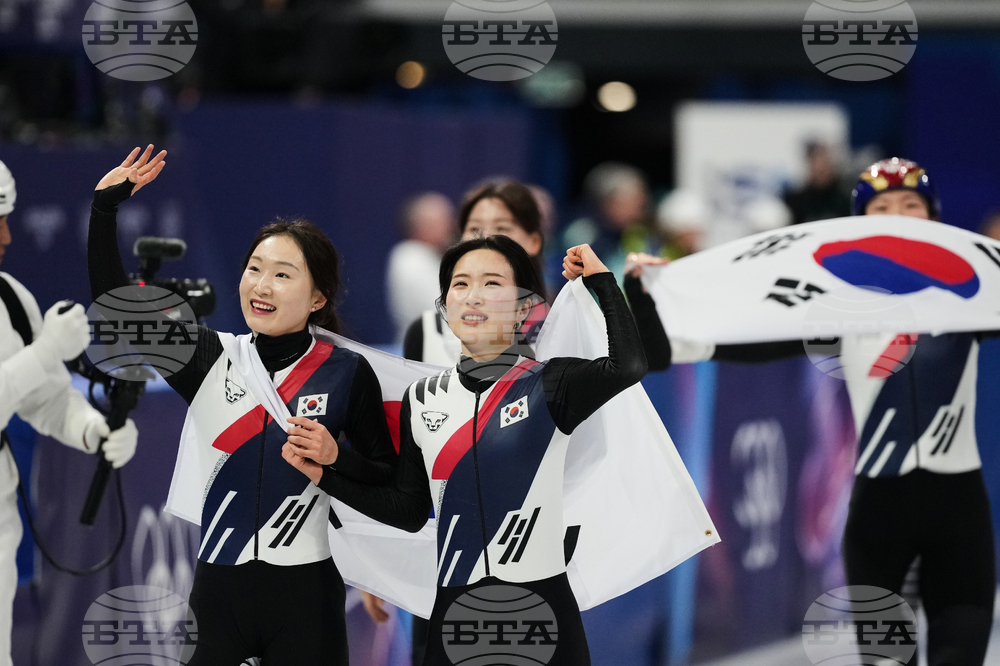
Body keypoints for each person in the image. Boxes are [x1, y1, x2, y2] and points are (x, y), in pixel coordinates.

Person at [627, 157, 996, 666]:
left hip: (960, 516)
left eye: (910, 205)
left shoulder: (970, 301)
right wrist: (652, 295)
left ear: (934, 219)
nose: (897, 216)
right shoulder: (838, 311)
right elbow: (703, 345)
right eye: (882, 208)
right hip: (878, 518)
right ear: (858, 225)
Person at [87, 146, 398, 666]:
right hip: (217, 598)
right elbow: (117, 309)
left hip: (307, 602)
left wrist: (336, 458)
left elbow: (389, 483)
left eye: (282, 274)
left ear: (318, 298)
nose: (261, 285)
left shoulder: (347, 372)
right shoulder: (207, 358)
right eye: (254, 268)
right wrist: (103, 209)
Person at [285, 236, 647, 665]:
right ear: (445, 306)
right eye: (460, 284)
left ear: (523, 308)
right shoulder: (422, 399)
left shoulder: (551, 384)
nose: (473, 295)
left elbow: (628, 366)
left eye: (492, 283)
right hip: (456, 619)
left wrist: (602, 280)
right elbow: (409, 510)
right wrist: (329, 471)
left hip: (543, 614)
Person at [0, 160, 138, 666]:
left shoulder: (11, 299)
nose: (7, 237)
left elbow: (47, 399)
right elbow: (38, 368)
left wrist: (92, 429)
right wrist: (44, 353)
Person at [402, 179, 547, 367]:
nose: (486, 237)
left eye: (502, 228)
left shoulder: (560, 330)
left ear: (534, 241)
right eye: (474, 229)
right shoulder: (427, 333)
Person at [561, 162, 658, 281]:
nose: (640, 213)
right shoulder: (583, 234)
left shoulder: (639, 235)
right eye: (635, 204)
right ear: (610, 202)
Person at [385, 192, 456, 341]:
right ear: (418, 226)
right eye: (441, 223)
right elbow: (439, 307)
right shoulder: (410, 256)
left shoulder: (434, 256)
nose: (450, 228)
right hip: (424, 346)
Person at [783, 141, 851, 225]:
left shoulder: (847, 198)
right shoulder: (796, 201)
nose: (820, 167)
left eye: (824, 162)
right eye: (815, 162)